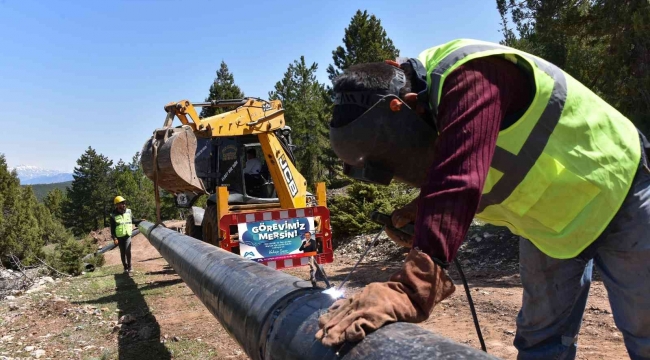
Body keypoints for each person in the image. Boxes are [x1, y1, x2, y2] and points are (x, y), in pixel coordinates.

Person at [317, 38, 650, 359]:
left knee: (644, 328)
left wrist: (414, 285)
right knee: (540, 340)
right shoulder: (433, 112)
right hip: (552, 228)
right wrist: (425, 209)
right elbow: (473, 165)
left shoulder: (469, 74)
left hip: (618, 192)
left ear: (404, 103)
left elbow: (460, 178)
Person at [110, 196, 144, 273]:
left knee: (128, 251)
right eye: (122, 203)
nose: (124, 205)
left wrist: (140, 220)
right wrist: (114, 238)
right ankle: (125, 267)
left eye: (124, 203)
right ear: (117, 205)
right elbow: (112, 228)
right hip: (119, 237)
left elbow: (133, 220)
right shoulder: (113, 215)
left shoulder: (128, 211)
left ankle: (130, 266)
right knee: (122, 252)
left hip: (127, 235)